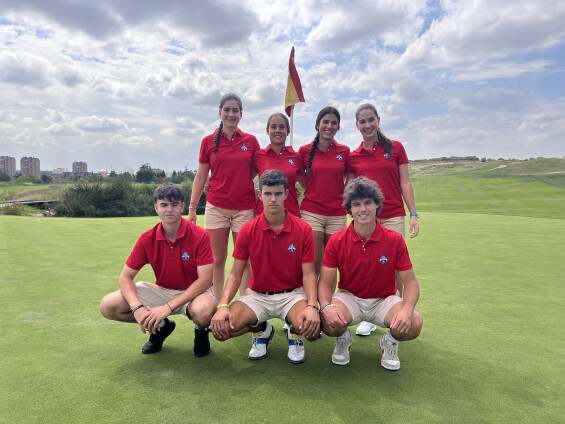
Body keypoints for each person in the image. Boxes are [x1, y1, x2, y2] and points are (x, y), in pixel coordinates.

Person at [210, 169, 319, 364]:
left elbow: (309, 274)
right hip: (258, 296)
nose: (273, 199)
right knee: (222, 330)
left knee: (311, 329)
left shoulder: (303, 229)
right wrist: (223, 305)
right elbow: (235, 274)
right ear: (260, 195)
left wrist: (312, 305)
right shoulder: (248, 229)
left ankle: (295, 335)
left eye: (278, 193)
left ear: (286, 194)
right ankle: (261, 329)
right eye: (268, 193)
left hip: (292, 295)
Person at [100, 183, 216, 357]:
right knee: (108, 306)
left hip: (195, 293)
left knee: (204, 312)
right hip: (162, 290)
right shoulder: (147, 238)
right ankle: (161, 327)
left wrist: (168, 307)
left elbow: (205, 280)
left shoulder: (200, 235)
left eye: (174, 204)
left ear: (182, 206)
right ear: (156, 208)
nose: (169, 209)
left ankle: (201, 331)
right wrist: (137, 308)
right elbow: (125, 278)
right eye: (164, 204)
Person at [318, 177, 423, 370]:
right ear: (350, 209)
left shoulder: (394, 239)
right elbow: (325, 283)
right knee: (325, 320)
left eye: (367, 202)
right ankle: (343, 338)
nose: (363, 209)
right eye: (356, 204)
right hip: (350, 298)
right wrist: (325, 306)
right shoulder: (337, 240)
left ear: (377, 205)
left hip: (384, 300)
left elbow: (411, 283)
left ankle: (389, 341)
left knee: (414, 322)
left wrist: (407, 309)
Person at [347, 103, 420, 336]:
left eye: (371, 120)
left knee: (395, 267)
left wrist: (413, 213)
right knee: (368, 263)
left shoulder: (396, 148)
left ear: (378, 120)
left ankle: (394, 311)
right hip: (366, 219)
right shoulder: (353, 156)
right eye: (362, 121)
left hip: (392, 215)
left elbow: (405, 183)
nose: (367, 125)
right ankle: (368, 315)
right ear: (357, 125)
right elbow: (350, 189)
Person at [188, 93, 259, 301]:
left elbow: (256, 170)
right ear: (220, 113)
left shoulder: (251, 141)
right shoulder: (208, 141)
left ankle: (245, 305)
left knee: (245, 260)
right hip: (216, 207)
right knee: (217, 259)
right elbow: (201, 176)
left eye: (235, 110)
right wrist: (192, 208)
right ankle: (217, 304)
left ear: (241, 114)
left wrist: (239, 180)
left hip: (245, 208)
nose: (231, 114)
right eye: (227, 110)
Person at [298, 107, 350, 275]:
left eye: (334, 123)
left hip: (337, 213)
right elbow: (301, 178)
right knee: (313, 261)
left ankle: (326, 300)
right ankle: (311, 299)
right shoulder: (304, 151)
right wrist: (316, 191)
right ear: (317, 124)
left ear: (338, 126)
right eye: (325, 122)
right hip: (312, 212)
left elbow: (347, 180)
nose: (329, 126)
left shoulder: (344, 151)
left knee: (331, 262)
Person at [252, 112, 306, 217]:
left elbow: (307, 186)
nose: (277, 130)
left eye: (281, 127)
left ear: (288, 131)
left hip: (291, 214)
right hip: (263, 215)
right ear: (268, 131)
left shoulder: (296, 157)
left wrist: (292, 189)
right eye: (273, 127)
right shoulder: (258, 155)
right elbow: (246, 180)